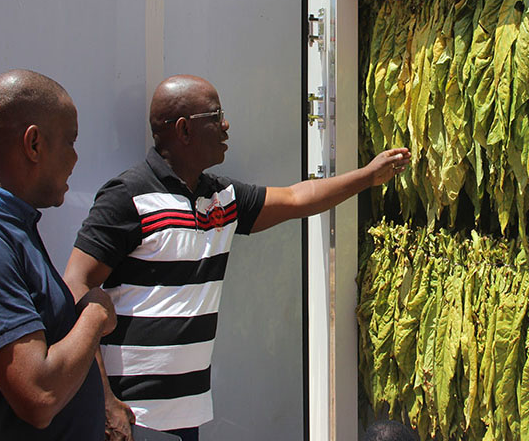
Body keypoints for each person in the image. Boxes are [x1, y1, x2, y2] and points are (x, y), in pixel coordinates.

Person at [64, 74, 411, 441]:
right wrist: (104, 401)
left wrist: (368, 176)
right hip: (131, 416)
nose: (226, 125)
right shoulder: (128, 197)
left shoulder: (222, 199)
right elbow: (75, 284)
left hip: (185, 413)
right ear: (184, 130)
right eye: (216, 116)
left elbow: (296, 199)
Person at [0, 70, 116, 440]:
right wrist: (95, 313)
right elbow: (39, 395)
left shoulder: (8, 224)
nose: (76, 157)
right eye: (70, 141)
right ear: (34, 144)